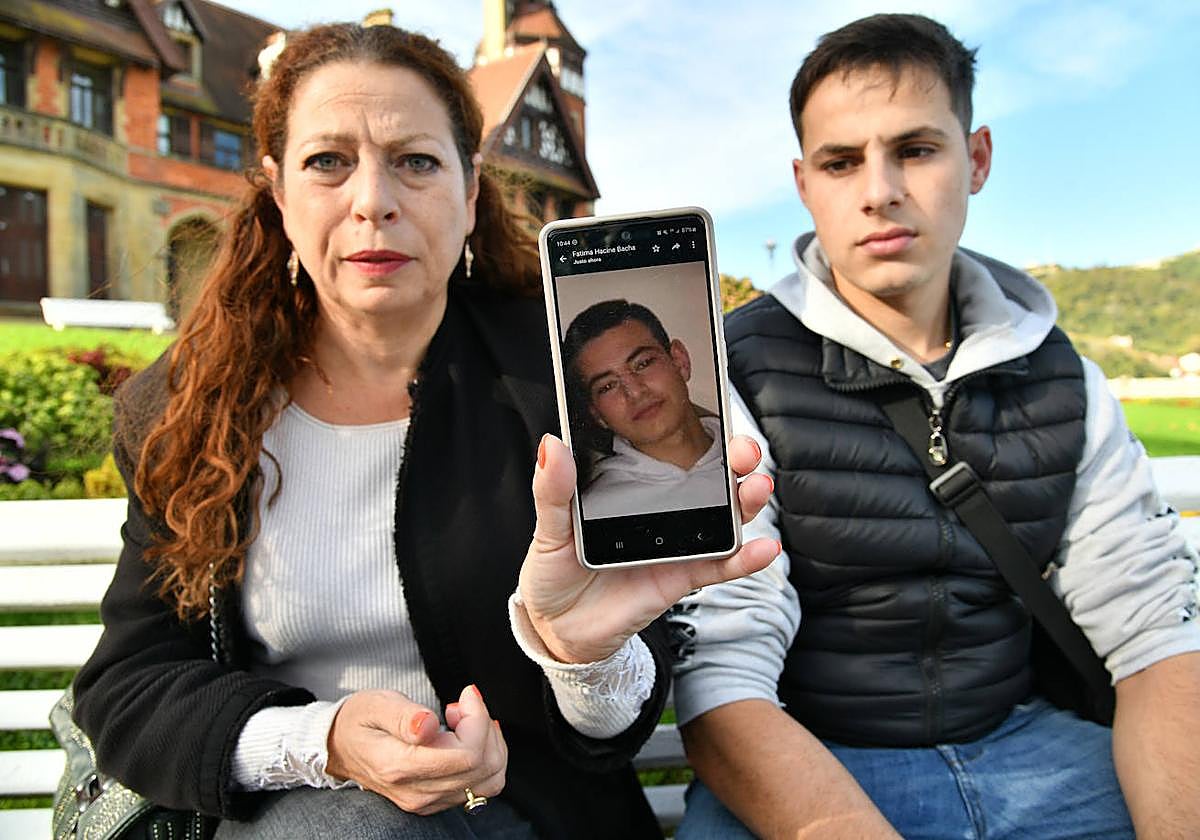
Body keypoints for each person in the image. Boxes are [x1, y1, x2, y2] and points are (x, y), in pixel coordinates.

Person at [69, 23, 777, 840]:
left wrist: (585, 658)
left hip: (535, 815)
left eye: (415, 161)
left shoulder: (559, 380)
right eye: (327, 162)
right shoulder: (188, 407)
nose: (373, 199)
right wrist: (325, 741)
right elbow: (131, 684)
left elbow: (612, 726)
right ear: (277, 193)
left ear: (470, 193)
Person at [670, 13, 1200, 840]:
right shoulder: (731, 373)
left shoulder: (1065, 377)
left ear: (977, 159)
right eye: (841, 162)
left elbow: (1155, 632)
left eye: (915, 150)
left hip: (1041, 754)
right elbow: (723, 673)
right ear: (804, 184)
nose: (879, 191)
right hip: (812, 764)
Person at [563, 299, 728, 519]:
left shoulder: (752, 457)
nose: (635, 392)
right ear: (597, 414)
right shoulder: (590, 515)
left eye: (643, 363)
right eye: (608, 386)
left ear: (679, 361)